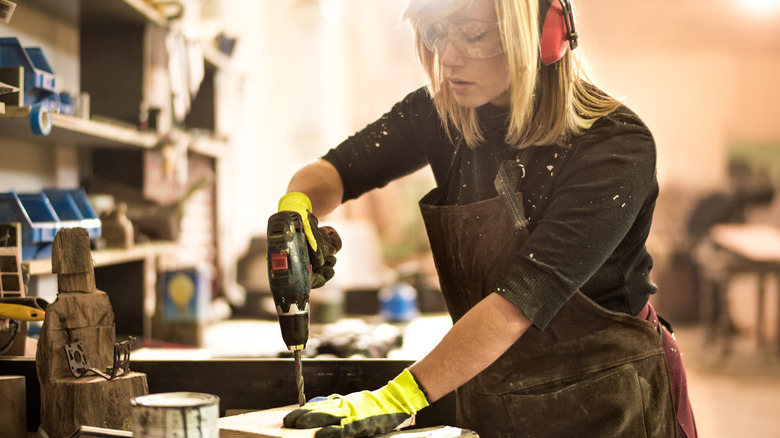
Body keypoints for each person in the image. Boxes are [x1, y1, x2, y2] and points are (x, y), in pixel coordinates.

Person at [273, 0, 697, 436]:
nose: (448, 57)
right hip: (491, 387)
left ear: (544, 36)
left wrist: (398, 398)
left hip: (609, 400)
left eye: (474, 35)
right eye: (438, 34)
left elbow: (521, 300)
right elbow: (339, 169)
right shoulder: (445, 112)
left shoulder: (616, 145)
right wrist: (297, 207)